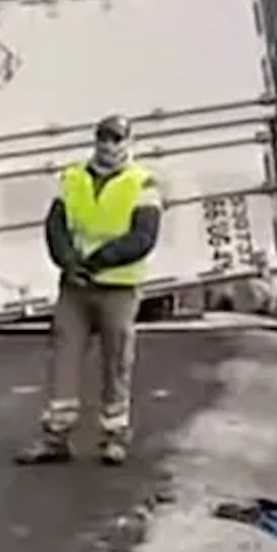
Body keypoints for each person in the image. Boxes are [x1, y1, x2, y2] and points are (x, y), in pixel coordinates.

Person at [18, 115, 164, 467]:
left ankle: (114, 437)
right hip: (76, 287)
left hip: (118, 286)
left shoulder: (142, 182)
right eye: (104, 138)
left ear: (128, 141)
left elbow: (143, 238)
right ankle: (56, 437)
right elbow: (55, 227)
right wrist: (69, 262)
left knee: (116, 362)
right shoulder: (72, 178)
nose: (109, 145)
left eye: (116, 139)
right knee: (63, 358)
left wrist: (98, 261)